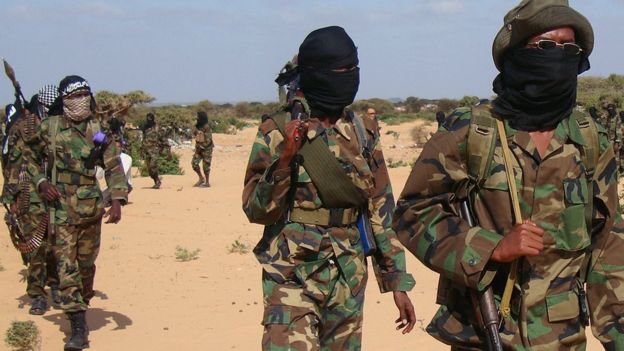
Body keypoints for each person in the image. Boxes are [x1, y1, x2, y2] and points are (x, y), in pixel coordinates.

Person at [393, 1, 624, 349]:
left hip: (562, 337)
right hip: (484, 331)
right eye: (545, 46)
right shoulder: (473, 131)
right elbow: (413, 211)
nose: (558, 57)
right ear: (515, 53)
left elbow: (608, 245)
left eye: (570, 48)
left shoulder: (588, 139)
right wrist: (490, 249)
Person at [243, 26, 416, 350]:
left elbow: (380, 207)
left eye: (354, 69)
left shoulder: (363, 130)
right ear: (316, 73)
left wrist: (396, 281)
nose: (350, 76)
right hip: (292, 273)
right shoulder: (277, 129)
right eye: (341, 70)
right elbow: (256, 209)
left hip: (347, 273)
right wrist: (285, 161)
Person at [28, 75, 128, 350]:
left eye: (85, 94)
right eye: (74, 96)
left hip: (90, 208)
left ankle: (81, 302)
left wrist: (117, 199)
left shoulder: (98, 129)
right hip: (60, 209)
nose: (80, 100)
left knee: (85, 267)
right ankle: (77, 328)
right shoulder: (49, 128)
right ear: (63, 100)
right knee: (66, 267)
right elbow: (30, 158)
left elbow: (114, 166)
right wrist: (41, 182)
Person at [1, 86, 62, 315]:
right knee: (36, 246)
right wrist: (13, 198)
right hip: (30, 193)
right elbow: (12, 164)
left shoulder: (59, 126)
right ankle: (37, 293)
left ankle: (56, 286)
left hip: (56, 192)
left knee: (56, 244)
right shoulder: (22, 128)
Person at [140, 112, 168, 189]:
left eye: (150, 119)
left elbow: (164, 139)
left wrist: (166, 150)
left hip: (155, 150)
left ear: (153, 119)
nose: (148, 121)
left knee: (153, 165)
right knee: (150, 170)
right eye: (147, 119)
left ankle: (158, 182)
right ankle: (157, 180)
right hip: (147, 150)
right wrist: (142, 150)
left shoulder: (158, 128)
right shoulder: (145, 127)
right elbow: (144, 139)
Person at [191, 111, 213, 187]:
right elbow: (194, 134)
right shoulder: (197, 126)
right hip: (198, 149)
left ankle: (207, 182)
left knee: (206, 166)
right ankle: (201, 178)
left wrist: (203, 146)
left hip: (207, 149)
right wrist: (196, 131)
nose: (196, 118)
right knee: (194, 163)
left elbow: (209, 140)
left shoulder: (207, 127)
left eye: (198, 116)